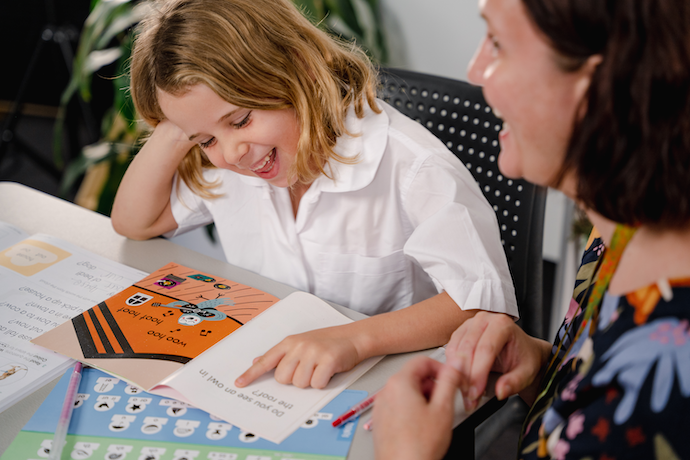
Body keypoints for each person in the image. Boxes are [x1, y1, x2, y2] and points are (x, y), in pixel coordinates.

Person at [111, 0, 518, 390]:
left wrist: (356, 339)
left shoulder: (412, 166)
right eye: (205, 140)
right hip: (281, 372)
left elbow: (480, 304)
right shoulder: (235, 164)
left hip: (388, 380)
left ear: (298, 71)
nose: (231, 152)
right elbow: (135, 221)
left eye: (241, 119)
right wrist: (180, 121)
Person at [372, 0, 690, 458]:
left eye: (498, 44)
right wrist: (543, 365)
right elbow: (586, 396)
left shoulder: (654, 396)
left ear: (598, 89)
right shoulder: (623, 231)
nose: (476, 71)